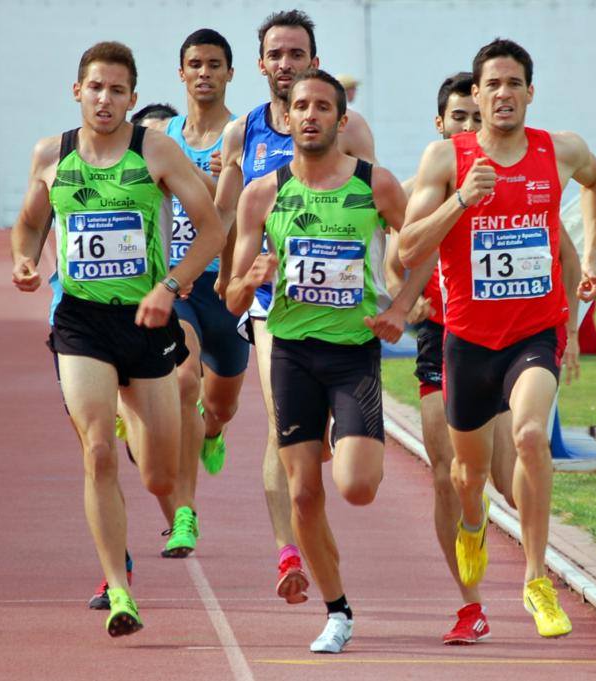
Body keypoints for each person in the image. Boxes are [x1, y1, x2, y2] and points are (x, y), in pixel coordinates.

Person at [10, 41, 224, 637]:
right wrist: (25, 260)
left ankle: (171, 457)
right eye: (95, 88)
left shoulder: (155, 149)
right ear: (77, 92)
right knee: (98, 450)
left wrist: (171, 287)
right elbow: (30, 222)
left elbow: (210, 228)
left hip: (146, 321)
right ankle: (121, 588)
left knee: (157, 475)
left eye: (117, 90)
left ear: (132, 98)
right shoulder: (51, 155)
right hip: (80, 322)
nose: (105, 100)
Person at [399, 38, 596, 639]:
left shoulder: (559, 150)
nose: (504, 94)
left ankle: (536, 579)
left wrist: (589, 253)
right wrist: (463, 199)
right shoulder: (446, 159)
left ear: (529, 92)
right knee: (467, 475)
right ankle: (471, 523)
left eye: (514, 83)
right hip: (467, 339)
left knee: (531, 435)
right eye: (493, 85)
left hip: (534, 333)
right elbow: (408, 247)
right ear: (478, 93)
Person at [227, 69, 423, 654]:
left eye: (322, 107)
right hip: (289, 352)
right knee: (305, 494)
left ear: (341, 120)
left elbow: (419, 252)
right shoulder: (262, 193)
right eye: (299, 106)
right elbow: (230, 296)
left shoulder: (375, 185)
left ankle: (345, 431)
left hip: (352, 353)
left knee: (358, 487)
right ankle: (337, 612)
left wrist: (402, 310)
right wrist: (250, 278)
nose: (309, 115)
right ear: (284, 120)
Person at [213, 8, 376, 606]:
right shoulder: (243, 133)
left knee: (327, 446)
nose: (285, 64)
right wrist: (217, 273)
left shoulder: (350, 130)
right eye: (275, 54)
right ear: (261, 64)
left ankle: (311, 513)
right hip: (267, 305)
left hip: (341, 316)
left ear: (314, 60)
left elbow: (370, 215)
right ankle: (289, 549)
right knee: (284, 424)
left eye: (296, 54)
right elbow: (225, 213)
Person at [152, 28, 248, 561]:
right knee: (184, 377)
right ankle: (185, 513)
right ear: (181, 72)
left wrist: (220, 183)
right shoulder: (162, 136)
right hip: (180, 282)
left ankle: (213, 431)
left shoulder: (240, 135)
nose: (205, 72)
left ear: (230, 72)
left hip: (226, 287)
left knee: (222, 405)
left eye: (215, 64)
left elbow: (247, 210)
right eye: (195, 64)